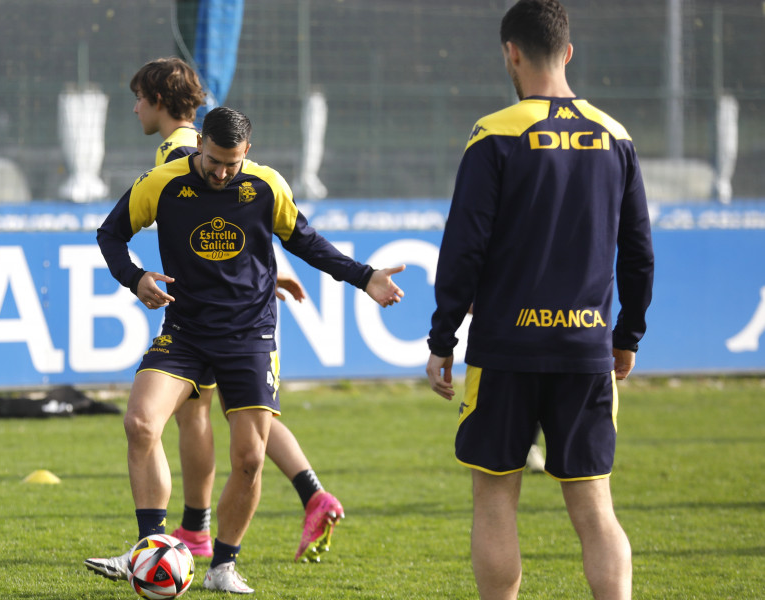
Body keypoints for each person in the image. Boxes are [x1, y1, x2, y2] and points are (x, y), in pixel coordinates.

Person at [86, 106, 405, 593]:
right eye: (212, 161)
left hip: (249, 335)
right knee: (140, 422)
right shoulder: (163, 183)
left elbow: (307, 242)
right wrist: (135, 278)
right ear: (199, 147)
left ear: (247, 153)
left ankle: (222, 566)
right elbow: (110, 234)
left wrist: (365, 278)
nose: (220, 172)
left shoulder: (265, 186)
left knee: (251, 459)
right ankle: (150, 549)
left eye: (231, 164)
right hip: (186, 330)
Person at [425, 1, 654, 599]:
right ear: (568, 52)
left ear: (512, 52)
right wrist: (626, 335)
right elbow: (638, 253)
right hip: (586, 348)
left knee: (495, 494)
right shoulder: (616, 136)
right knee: (594, 503)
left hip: (505, 349)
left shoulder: (495, 132)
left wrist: (442, 339)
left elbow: (463, 249)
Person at [127, 57, 348, 563]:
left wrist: (267, 269)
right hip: (227, 307)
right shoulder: (186, 149)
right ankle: (307, 494)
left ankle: (197, 532)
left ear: (160, 101)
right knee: (230, 418)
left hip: (224, 317)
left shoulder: (183, 151)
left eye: (139, 97)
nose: (135, 108)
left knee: (201, 417)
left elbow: (234, 213)